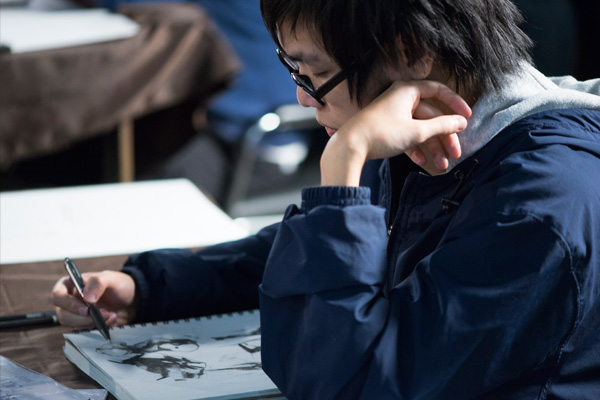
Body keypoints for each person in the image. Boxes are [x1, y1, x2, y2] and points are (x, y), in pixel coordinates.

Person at [52, 0, 600, 398]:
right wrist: (151, 287)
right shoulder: (452, 133)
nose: (300, 95)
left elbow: (349, 385)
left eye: (313, 73)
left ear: (411, 53)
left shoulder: (535, 209)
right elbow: (351, 250)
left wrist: (346, 161)